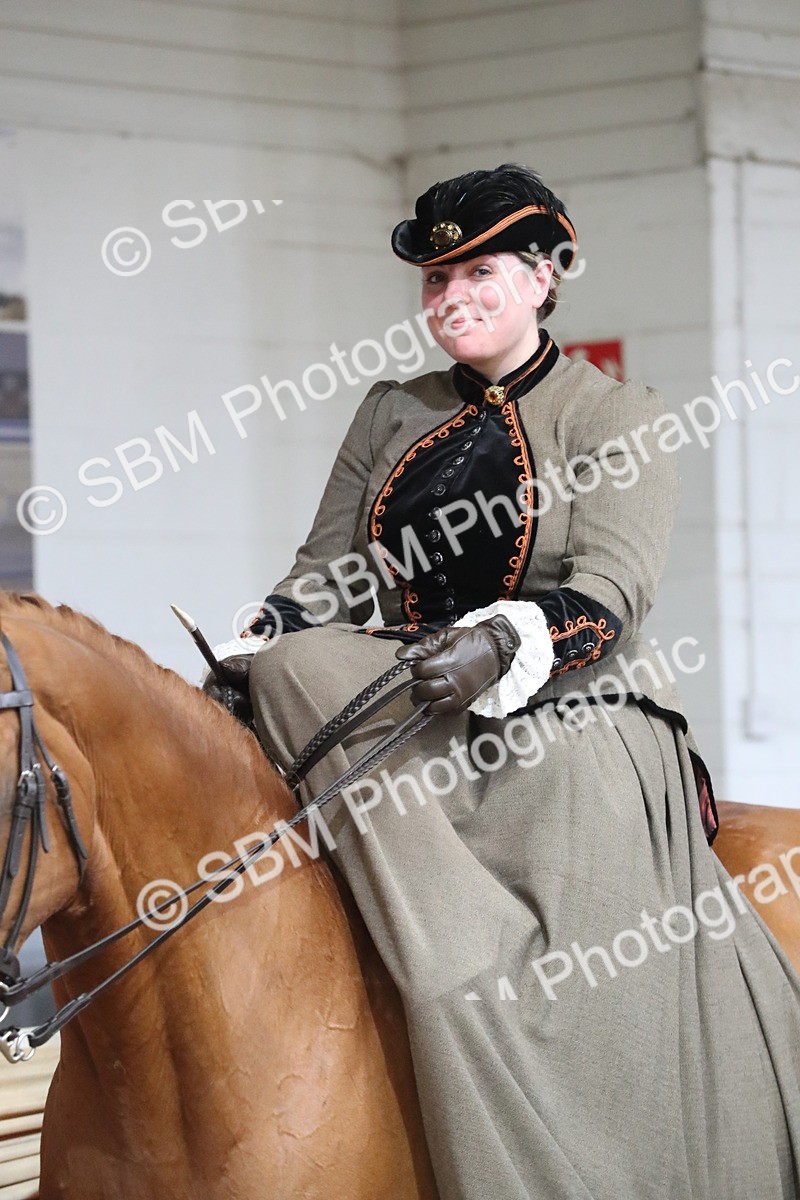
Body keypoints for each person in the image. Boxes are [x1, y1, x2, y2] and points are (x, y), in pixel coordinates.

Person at [207, 164, 800, 1199]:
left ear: (542, 277)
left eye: (476, 272)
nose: (450, 301)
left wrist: (494, 647)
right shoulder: (389, 411)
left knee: (560, 779)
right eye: (434, 283)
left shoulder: (613, 413)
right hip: (406, 680)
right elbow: (327, 571)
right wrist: (257, 646)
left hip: (568, 704)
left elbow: (611, 593)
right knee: (300, 662)